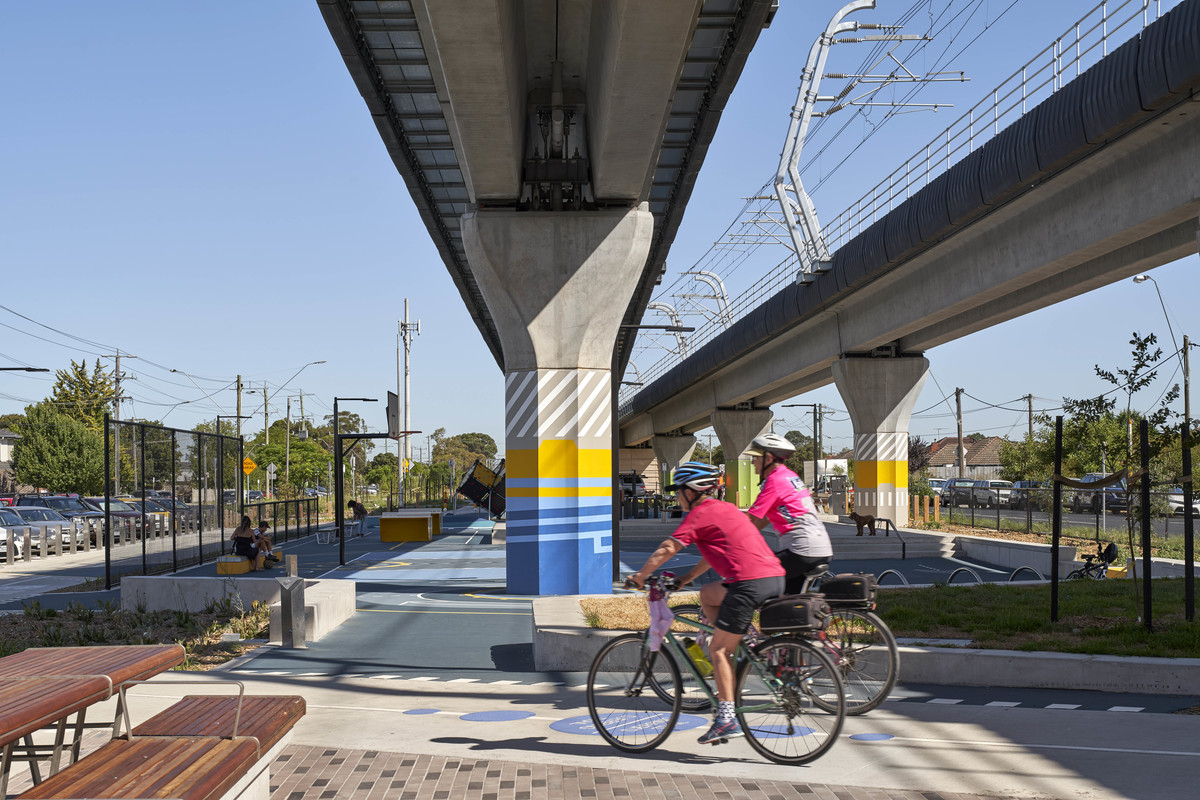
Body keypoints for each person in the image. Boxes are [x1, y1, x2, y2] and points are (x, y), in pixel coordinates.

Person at [628, 461, 785, 746]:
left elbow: (668, 547)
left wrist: (640, 576)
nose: (677, 497)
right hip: (774, 577)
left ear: (691, 492)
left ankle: (726, 720)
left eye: (678, 491)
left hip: (747, 584)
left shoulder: (698, 515)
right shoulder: (727, 509)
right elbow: (715, 551)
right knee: (708, 593)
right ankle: (744, 641)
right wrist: (687, 578)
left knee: (719, 650)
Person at [744, 433, 834, 594]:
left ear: (768, 458)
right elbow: (762, 519)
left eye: (756, 458)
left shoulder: (774, 481)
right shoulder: (789, 476)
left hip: (800, 549)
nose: (752, 462)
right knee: (788, 600)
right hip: (820, 547)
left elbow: (748, 520)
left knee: (752, 579)